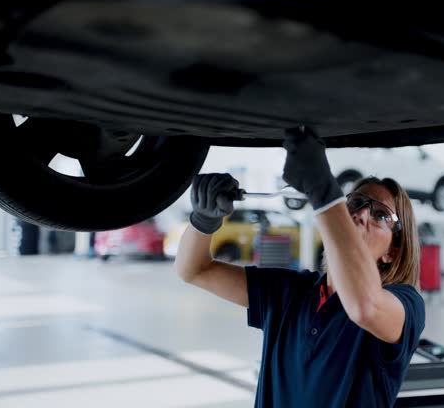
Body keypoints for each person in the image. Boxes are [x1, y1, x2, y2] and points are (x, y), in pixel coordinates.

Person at [175, 127, 425, 407]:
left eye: (381, 214)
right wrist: (204, 221)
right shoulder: (290, 292)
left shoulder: (406, 304)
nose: (362, 213)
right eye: (355, 203)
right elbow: (193, 269)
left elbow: (364, 306)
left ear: (392, 252)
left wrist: (322, 185)